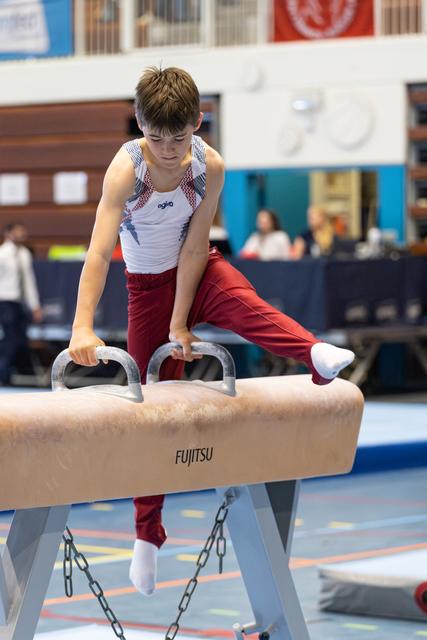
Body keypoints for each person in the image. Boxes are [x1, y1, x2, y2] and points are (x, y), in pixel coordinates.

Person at [68, 66, 355, 597]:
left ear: (198, 123)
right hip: (146, 288)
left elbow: (197, 246)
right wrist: (82, 327)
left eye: (180, 137)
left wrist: (185, 320)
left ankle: (313, 354)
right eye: (157, 137)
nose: (170, 149)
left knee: (245, 302)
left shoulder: (209, 165)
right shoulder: (126, 171)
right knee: (152, 412)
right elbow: (97, 255)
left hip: (198, 270)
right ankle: (147, 534)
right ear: (139, 125)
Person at [0, 222, 42, 385]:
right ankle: (3, 374)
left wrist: (35, 305)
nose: (22, 233)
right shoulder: (2, 254)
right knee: (9, 338)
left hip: (19, 302)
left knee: (20, 339)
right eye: (18, 231)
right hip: (4, 300)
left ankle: (10, 372)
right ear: (8, 233)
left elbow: (29, 282)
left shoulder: (24, 253)